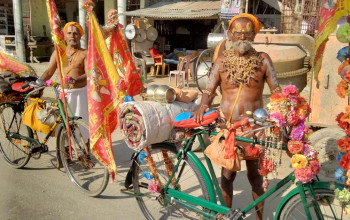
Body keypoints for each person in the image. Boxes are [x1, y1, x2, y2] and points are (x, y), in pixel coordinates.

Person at [193, 13, 281, 220]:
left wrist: (285, 110)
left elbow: (276, 89)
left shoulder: (263, 60)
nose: (242, 37)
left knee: (255, 178)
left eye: (247, 32)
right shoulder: (222, 60)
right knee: (227, 175)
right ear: (230, 34)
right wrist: (202, 106)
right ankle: (226, 215)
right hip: (228, 126)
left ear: (253, 35)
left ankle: (260, 218)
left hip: (254, 128)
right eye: (237, 33)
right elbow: (209, 89)